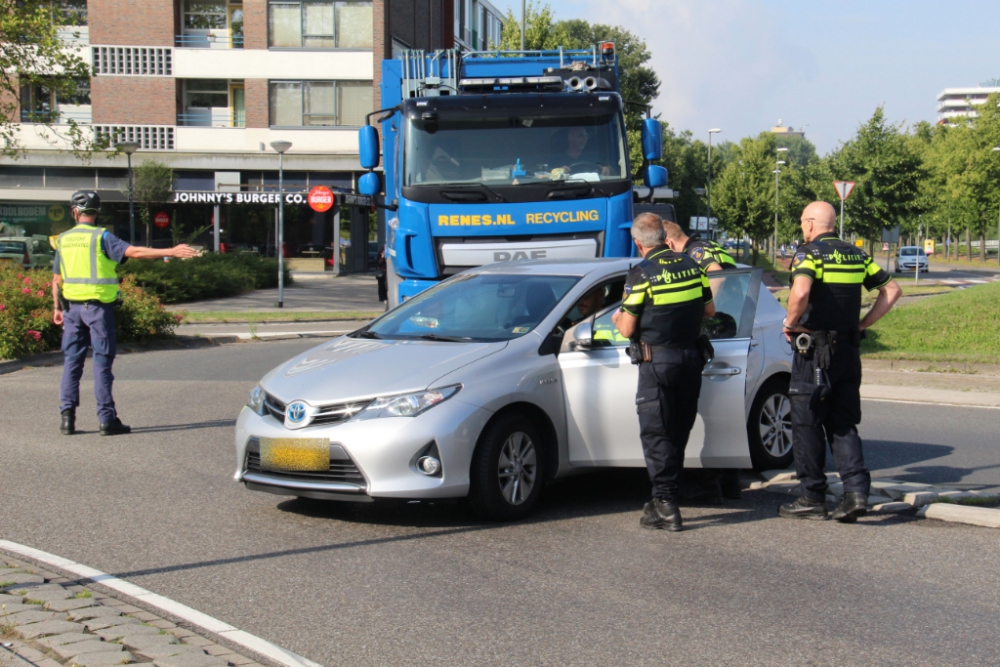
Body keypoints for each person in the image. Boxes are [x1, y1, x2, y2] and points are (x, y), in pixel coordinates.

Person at [779, 201, 902, 522]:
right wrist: (861, 325)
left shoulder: (809, 254)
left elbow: (801, 292)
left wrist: (790, 323)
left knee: (807, 423)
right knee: (843, 422)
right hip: (848, 350)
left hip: (815, 352)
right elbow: (892, 290)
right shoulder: (857, 255)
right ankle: (856, 492)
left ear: (809, 224)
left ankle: (811, 497)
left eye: (802, 223)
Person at [52, 191, 198, 436]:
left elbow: (56, 279)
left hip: (71, 309)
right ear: (96, 213)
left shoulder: (63, 240)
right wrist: (170, 251)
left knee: (72, 363)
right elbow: (135, 252)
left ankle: (67, 419)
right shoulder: (102, 237)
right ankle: (107, 420)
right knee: (101, 363)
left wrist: (56, 308)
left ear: (75, 212)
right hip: (98, 309)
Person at [612, 212, 715, 531]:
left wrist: (617, 317)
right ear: (664, 238)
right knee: (677, 431)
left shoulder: (641, 274)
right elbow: (709, 310)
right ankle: (662, 498)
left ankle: (667, 505)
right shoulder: (692, 266)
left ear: (638, 242)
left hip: (657, 362)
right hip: (691, 358)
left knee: (657, 434)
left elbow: (628, 327)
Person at [662, 219, 740, 504]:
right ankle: (728, 483)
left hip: (720, 329)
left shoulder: (695, 252)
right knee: (722, 413)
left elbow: (716, 276)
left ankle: (711, 486)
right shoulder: (710, 245)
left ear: (669, 243)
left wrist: (701, 314)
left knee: (707, 413)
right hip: (734, 328)